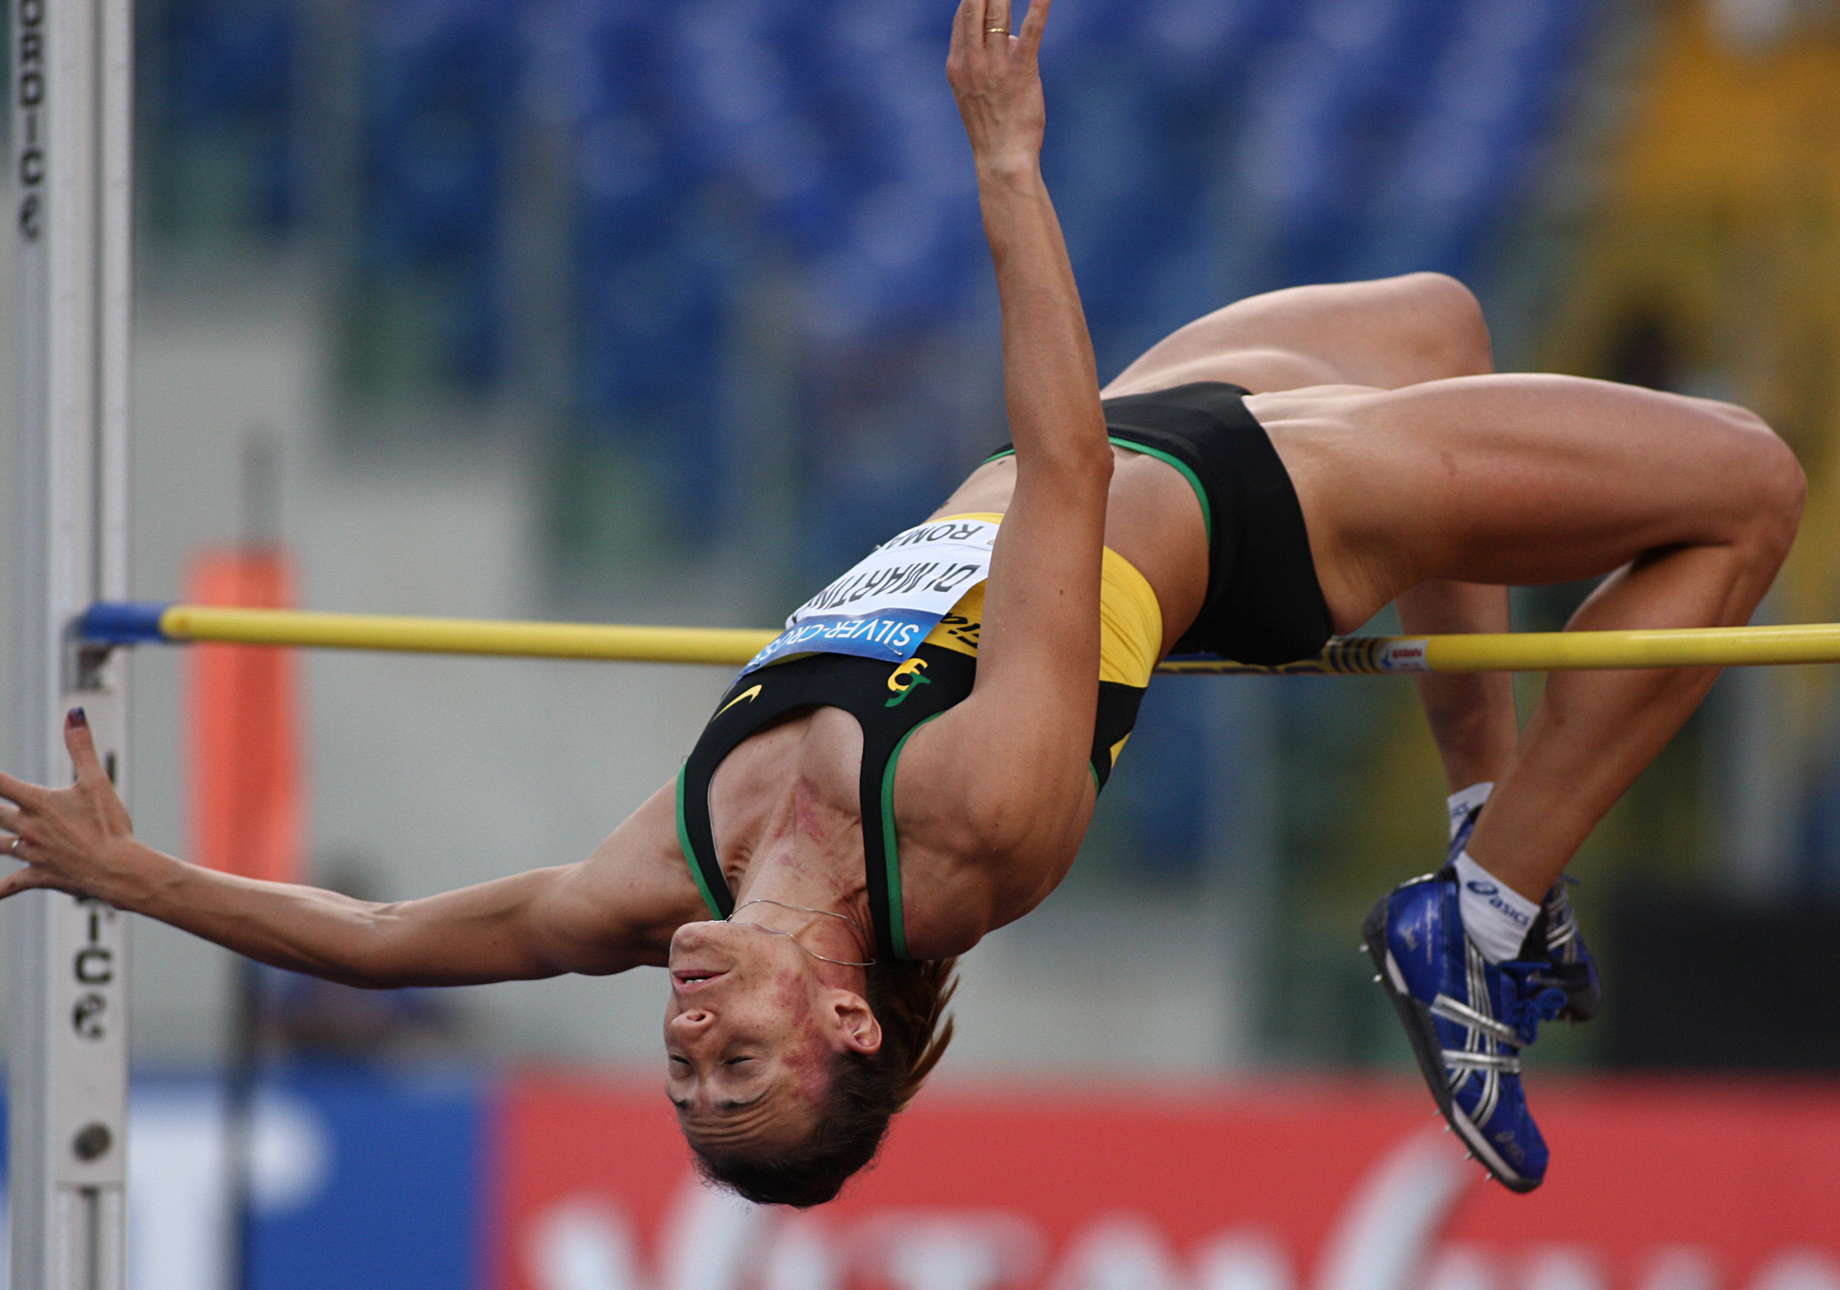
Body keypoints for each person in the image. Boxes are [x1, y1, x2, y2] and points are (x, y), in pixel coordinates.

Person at [0, 0, 1802, 1205]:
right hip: (1258, 508)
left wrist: (130, 872)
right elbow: (1068, 486)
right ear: (849, 1022)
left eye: (685, 1072)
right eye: (742, 1062)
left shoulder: (670, 874)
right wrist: (1007, 164)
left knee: (1443, 322)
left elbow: (387, 937)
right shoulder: (967, 834)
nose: (692, 1038)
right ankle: (1482, 912)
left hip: (1128, 434)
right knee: (1747, 492)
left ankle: (1481, 807)